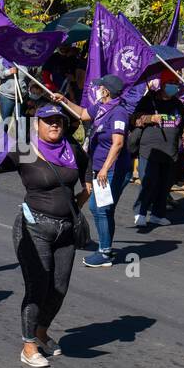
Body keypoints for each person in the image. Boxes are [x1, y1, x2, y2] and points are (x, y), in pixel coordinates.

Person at [0, 103, 90, 367]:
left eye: (59, 120)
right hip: (34, 228)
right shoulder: (26, 150)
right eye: (48, 121)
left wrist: (82, 196)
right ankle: (28, 346)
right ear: (37, 124)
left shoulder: (72, 150)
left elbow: (87, 174)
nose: (54, 124)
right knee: (38, 286)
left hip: (66, 230)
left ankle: (42, 331)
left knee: (59, 288)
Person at [54, 74, 132, 267]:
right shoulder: (102, 107)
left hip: (113, 169)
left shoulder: (119, 112)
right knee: (106, 210)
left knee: (98, 208)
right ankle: (107, 249)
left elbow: (118, 143)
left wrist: (105, 168)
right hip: (100, 167)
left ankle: (104, 253)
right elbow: (82, 114)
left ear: (106, 91)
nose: (97, 89)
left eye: (100, 87)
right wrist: (64, 100)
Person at [131, 79, 184, 227]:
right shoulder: (148, 100)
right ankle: (140, 212)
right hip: (150, 150)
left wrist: (183, 143)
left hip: (171, 150)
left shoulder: (177, 104)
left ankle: (158, 214)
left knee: (165, 184)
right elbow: (134, 119)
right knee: (148, 182)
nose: (174, 86)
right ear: (162, 84)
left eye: (176, 83)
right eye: (171, 83)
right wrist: (150, 118)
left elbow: (183, 125)